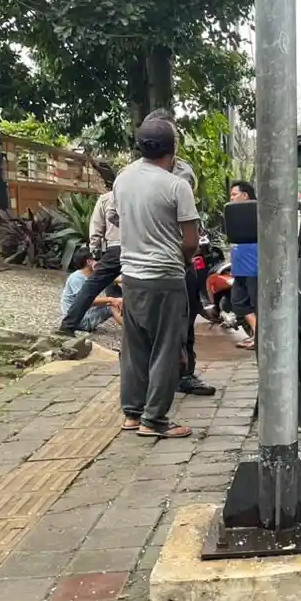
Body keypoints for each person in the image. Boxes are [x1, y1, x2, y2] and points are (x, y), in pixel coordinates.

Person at [116, 118, 200, 439]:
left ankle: (132, 414)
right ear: (173, 148)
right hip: (165, 276)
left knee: (135, 347)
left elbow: (114, 216)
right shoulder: (176, 185)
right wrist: (185, 261)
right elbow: (190, 241)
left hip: (132, 276)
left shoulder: (123, 180)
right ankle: (155, 420)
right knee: (166, 347)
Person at [140, 108, 216, 397]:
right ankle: (147, 383)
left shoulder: (182, 173)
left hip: (175, 261)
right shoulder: (129, 175)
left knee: (185, 318)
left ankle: (185, 373)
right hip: (140, 261)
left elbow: (184, 223)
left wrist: (186, 258)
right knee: (142, 326)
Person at [57, 190, 120, 336]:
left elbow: (96, 228)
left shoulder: (107, 198)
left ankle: (68, 326)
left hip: (114, 248)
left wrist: (95, 251)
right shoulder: (147, 194)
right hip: (141, 248)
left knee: (91, 287)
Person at [228, 180, 259, 349]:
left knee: (255, 303)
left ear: (245, 195)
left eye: (234, 194)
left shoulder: (256, 210)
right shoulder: (234, 213)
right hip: (239, 267)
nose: (231, 198)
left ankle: (258, 335)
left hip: (254, 267)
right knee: (238, 301)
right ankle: (257, 333)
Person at [61, 250, 123, 333]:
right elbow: (86, 300)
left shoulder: (93, 276)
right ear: (89, 262)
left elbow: (115, 279)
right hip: (77, 321)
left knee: (116, 301)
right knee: (113, 305)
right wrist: (112, 300)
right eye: (100, 260)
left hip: (85, 314)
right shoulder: (76, 278)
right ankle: (132, 332)